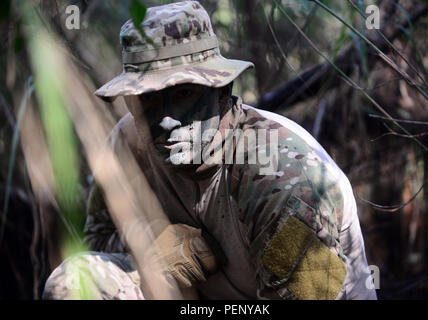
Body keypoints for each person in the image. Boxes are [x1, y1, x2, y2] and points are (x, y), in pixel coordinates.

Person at [43, 0, 377, 300]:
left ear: (221, 92)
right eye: (148, 99)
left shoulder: (283, 176)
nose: (167, 119)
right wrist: (153, 245)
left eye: (184, 93)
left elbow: (310, 293)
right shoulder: (127, 144)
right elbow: (97, 237)